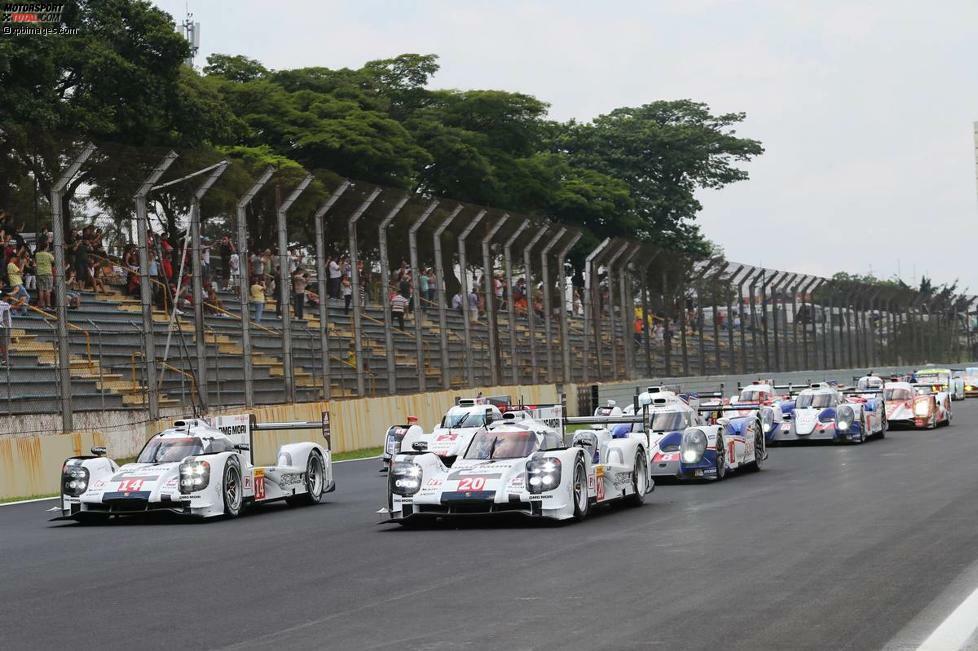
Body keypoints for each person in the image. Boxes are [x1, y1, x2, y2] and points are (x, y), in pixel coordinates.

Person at [34, 241, 54, 309]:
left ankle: (42, 304)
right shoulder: (48, 255)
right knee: (48, 289)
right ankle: (48, 305)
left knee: (41, 290)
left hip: (39, 273)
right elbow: (53, 261)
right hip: (47, 273)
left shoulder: (37, 254)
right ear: (46, 247)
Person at [0, 297, 10, 366]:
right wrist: (21, 302)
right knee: (4, 344)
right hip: (3, 326)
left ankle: (4, 361)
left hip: (2, 326)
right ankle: (4, 360)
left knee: (4, 344)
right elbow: (16, 307)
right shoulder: (4, 304)